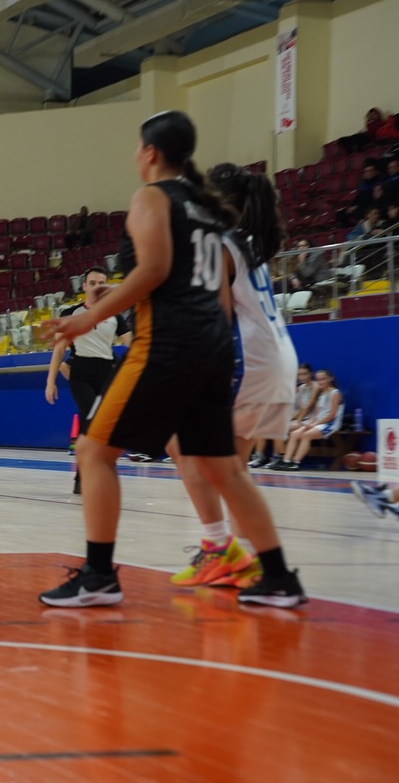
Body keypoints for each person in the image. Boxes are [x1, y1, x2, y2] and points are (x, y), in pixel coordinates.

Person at [39, 110, 306, 609]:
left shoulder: (152, 197)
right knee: (224, 468)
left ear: (150, 152)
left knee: (93, 453)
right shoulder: (212, 211)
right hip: (214, 349)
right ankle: (279, 577)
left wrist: (83, 320)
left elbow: (156, 270)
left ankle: (98, 576)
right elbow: (217, 293)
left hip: (166, 347)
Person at [164, 162, 298, 590]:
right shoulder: (247, 242)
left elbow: (215, 316)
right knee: (231, 470)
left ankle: (221, 548)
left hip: (249, 361)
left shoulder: (220, 245)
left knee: (179, 442)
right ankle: (243, 560)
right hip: (275, 359)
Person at [45, 267, 133, 494]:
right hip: (81, 373)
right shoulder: (70, 313)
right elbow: (58, 351)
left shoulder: (115, 316)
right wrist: (50, 381)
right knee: (90, 419)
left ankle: (85, 475)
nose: (97, 287)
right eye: (92, 283)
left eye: (101, 283)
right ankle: (86, 477)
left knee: (97, 426)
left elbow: (133, 345)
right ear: (84, 286)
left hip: (106, 372)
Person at [273, 368, 342, 470]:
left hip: (330, 423)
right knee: (294, 434)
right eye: (318, 380)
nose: (320, 382)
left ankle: (296, 462)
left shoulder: (335, 393)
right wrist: (310, 423)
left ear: (330, 379)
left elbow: (332, 414)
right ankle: (286, 461)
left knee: (306, 435)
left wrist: (315, 424)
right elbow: (316, 413)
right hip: (318, 422)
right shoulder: (319, 393)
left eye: (323, 379)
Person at [250, 363, 312, 468]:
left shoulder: (310, 388)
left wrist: (293, 419)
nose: (302, 377)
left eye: (304, 374)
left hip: (306, 420)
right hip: (291, 418)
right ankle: (259, 456)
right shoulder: (294, 389)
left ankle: (279, 457)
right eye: (300, 375)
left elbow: (303, 409)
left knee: (276, 429)